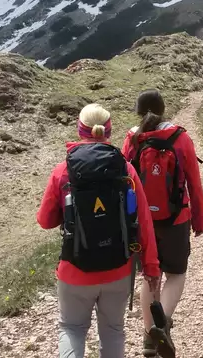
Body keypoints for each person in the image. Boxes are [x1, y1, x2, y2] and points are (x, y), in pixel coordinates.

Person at [37, 103, 161, 358]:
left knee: (72, 328)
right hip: (118, 269)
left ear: (79, 130)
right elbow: (144, 221)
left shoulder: (63, 171)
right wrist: (151, 267)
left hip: (75, 269)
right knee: (113, 330)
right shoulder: (125, 169)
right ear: (109, 130)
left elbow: (45, 221)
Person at [121, 89, 203, 358]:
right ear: (163, 109)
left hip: (142, 223)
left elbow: (124, 184)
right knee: (177, 274)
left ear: (138, 111)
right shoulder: (179, 139)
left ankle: (149, 338)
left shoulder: (132, 140)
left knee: (150, 275)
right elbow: (194, 183)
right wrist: (199, 220)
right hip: (175, 219)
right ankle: (162, 323)